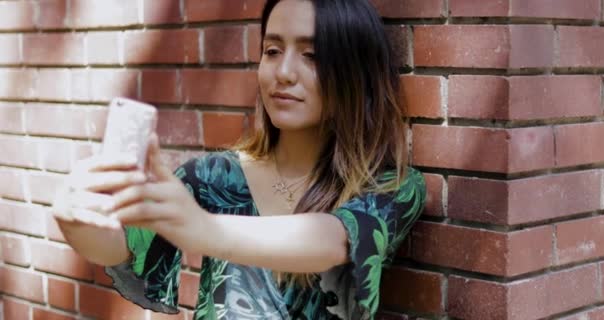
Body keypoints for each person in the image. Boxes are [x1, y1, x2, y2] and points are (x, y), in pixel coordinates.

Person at [51, 0, 427, 319]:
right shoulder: (215, 177)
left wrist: (203, 228)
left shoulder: (393, 188)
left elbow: (333, 241)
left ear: (355, 73)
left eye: (311, 55)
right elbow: (124, 245)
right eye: (272, 50)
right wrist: (78, 218)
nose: (283, 73)